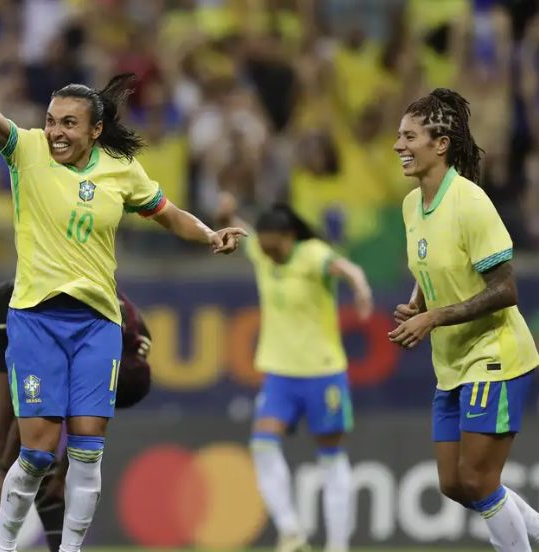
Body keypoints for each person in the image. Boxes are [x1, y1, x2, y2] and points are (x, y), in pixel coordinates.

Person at [0, 13, 245, 552]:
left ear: (94, 129)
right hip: (36, 318)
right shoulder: (26, 151)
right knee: (36, 454)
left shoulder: (120, 170)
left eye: (68, 123)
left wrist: (208, 235)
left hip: (96, 324)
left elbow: (168, 212)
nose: (56, 132)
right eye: (52, 119)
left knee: (87, 450)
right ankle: (5, 548)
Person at [389, 88, 539, 552]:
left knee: (477, 479)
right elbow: (430, 261)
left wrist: (434, 316)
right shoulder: (412, 205)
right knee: (454, 484)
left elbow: (506, 289)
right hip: (452, 364)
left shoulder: (470, 202)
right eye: (398, 136)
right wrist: (418, 301)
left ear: (440, 144)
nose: (398, 146)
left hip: (495, 355)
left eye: (409, 136)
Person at [219, 199, 372, 552]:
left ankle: (337, 544)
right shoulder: (262, 250)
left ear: (289, 237)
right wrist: (226, 213)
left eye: (274, 248)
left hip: (322, 372)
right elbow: (238, 226)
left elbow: (347, 269)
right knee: (262, 444)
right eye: (265, 248)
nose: (269, 255)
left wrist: (360, 286)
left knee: (330, 456)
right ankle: (291, 532)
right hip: (280, 374)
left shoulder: (312, 254)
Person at [0, 280, 153, 552]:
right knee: (15, 447)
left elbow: (90, 424)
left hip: (70, 323)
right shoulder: (110, 330)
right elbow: (36, 418)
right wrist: (3, 470)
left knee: (64, 468)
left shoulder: (135, 345)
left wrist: (65, 470)